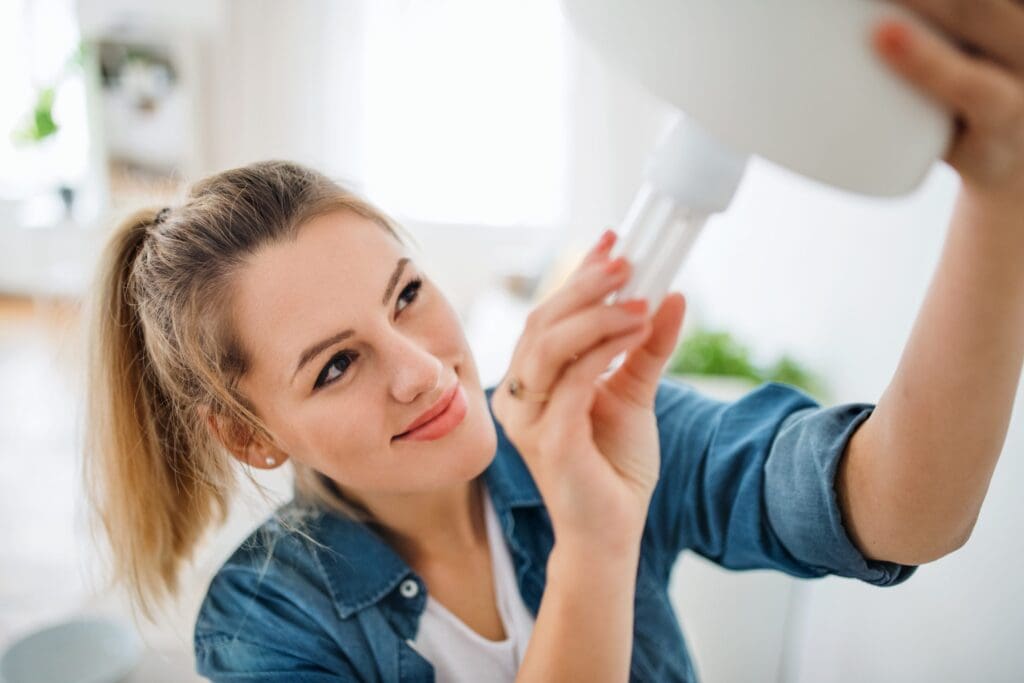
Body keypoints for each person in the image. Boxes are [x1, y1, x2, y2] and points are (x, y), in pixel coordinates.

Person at [82, 6, 1024, 681]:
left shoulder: (601, 427)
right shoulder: (262, 629)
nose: (424, 369)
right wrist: (596, 544)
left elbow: (907, 513)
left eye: (406, 295)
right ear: (251, 433)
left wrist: (1004, 189)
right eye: (336, 365)